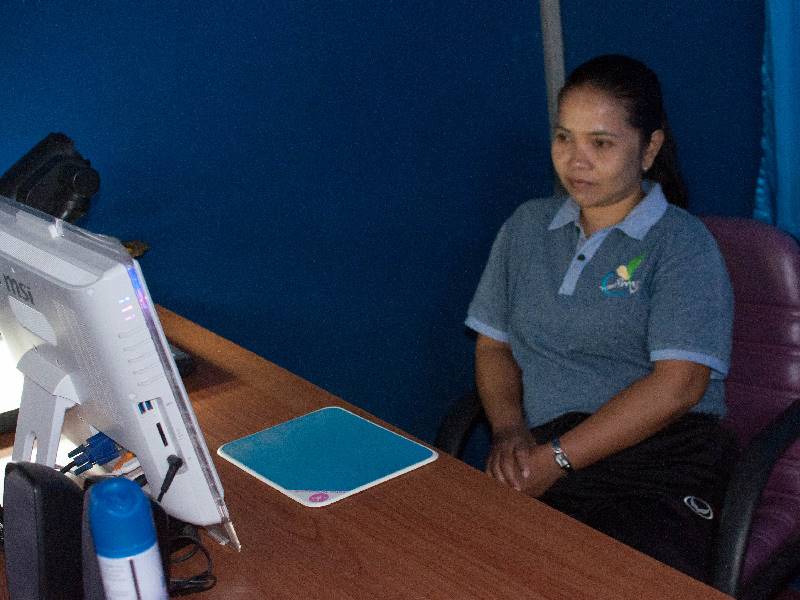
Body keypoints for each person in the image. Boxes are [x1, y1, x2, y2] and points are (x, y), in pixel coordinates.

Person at [465, 54, 736, 581]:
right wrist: (509, 429)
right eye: (564, 138)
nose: (576, 161)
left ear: (649, 148)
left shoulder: (682, 243)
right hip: (545, 448)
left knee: (604, 578)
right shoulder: (527, 227)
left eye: (601, 143)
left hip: (655, 461)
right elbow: (493, 347)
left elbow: (680, 386)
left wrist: (557, 459)